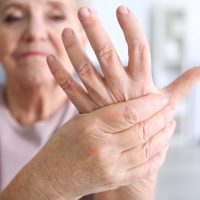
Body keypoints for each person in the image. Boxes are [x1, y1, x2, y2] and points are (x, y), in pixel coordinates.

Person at [0, 0, 199, 199]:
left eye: (56, 16)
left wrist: (130, 180)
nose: (35, 32)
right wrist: (53, 180)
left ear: (82, 37)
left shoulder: (109, 117)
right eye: (13, 17)